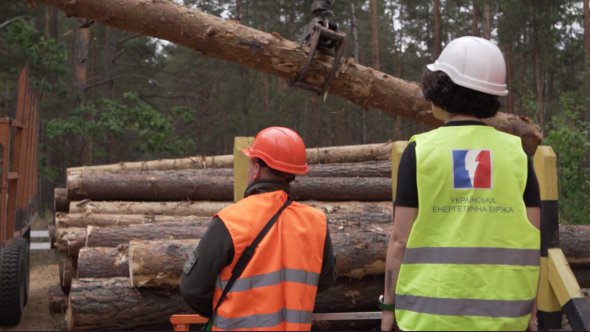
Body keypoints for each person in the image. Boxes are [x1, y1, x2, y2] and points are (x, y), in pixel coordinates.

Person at [380, 36, 541, 331]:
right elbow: (532, 241)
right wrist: (531, 313)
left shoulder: (419, 151)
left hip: (428, 316)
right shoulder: (517, 153)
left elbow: (400, 241)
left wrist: (389, 307)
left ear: (441, 90)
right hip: (505, 317)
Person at [180, 126, 337, 331]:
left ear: (256, 167)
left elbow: (192, 289)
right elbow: (324, 281)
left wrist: (230, 308)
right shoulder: (316, 223)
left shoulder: (230, 221)